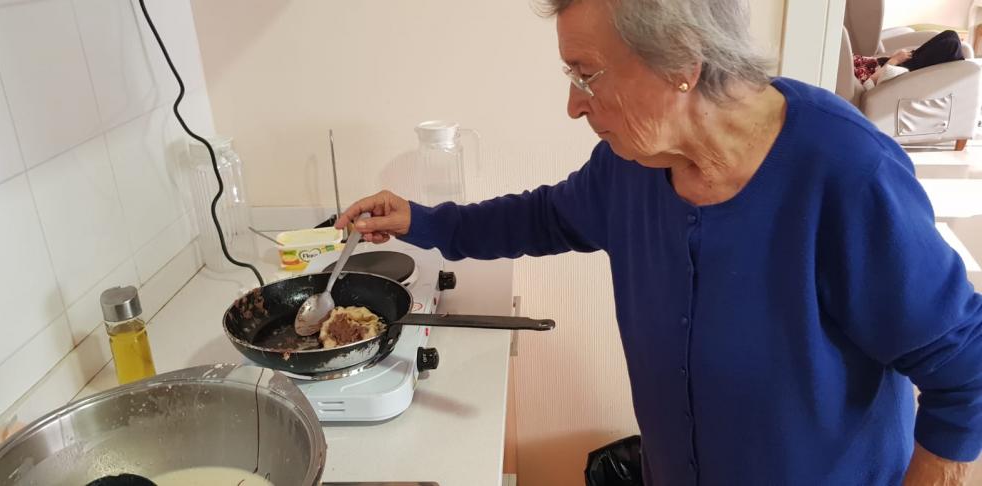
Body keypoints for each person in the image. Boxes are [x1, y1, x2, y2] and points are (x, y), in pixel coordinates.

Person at [337, 1, 982, 484]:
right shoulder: (633, 165)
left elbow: (964, 372)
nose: (573, 105)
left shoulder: (846, 173)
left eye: (586, 75)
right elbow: (544, 217)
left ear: (680, 64)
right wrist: (423, 220)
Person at [854, 30, 966, 90]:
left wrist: (892, 57)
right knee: (952, 45)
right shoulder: (847, 72)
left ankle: (962, 73)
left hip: (891, 62)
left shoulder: (847, 57)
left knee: (951, 34)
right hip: (894, 71)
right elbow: (867, 86)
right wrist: (894, 60)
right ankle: (963, 76)